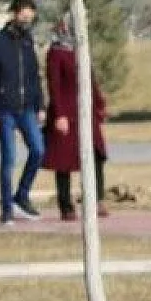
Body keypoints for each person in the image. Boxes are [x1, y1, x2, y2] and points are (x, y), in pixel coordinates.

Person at [0, 0, 45, 223]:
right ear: (15, 13)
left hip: (26, 108)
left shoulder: (28, 42)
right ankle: (7, 210)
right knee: (8, 160)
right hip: (4, 109)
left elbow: (35, 77)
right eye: (24, 13)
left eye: (30, 14)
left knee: (38, 150)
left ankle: (22, 196)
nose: (27, 18)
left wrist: (40, 106)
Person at [41, 20, 108, 221]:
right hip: (66, 112)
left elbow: (91, 79)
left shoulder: (81, 50)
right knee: (64, 161)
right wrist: (60, 114)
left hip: (85, 111)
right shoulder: (56, 53)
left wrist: (99, 104)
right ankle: (66, 205)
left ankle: (97, 199)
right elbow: (55, 85)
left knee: (96, 155)